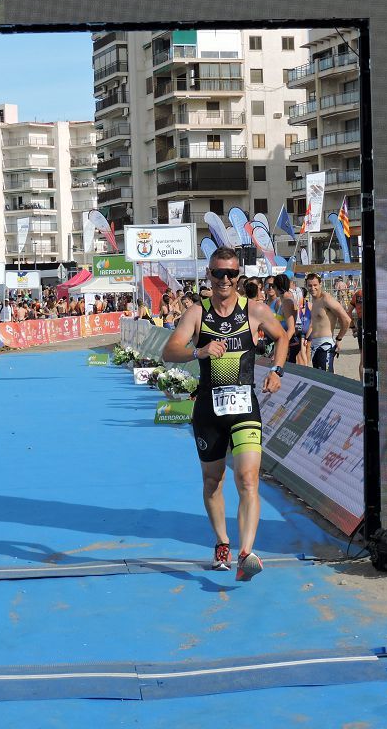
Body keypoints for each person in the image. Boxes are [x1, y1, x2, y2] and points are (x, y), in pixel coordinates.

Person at [161, 247, 290, 582]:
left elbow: (282, 337)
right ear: (209, 274)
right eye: (219, 273)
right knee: (212, 481)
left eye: (232, 273)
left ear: (239, 276)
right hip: (208, 408)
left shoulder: (255, 311)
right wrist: (198, 351)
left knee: (248, 479)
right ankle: (222, 542)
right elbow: (169, 351)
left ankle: (246, 553)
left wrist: (277, 371)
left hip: (245, 406)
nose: (225, 280)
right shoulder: (196, 313)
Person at [306, 272, 352, 372]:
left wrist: (339, 338)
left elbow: (346, 319)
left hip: (325, 345)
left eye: (315, 285)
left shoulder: (326, 299)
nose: (312, 288)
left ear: (320, 284)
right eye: (310, 285)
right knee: (318, 379)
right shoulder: (314, 301)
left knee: (326, 379)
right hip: (315, 345)